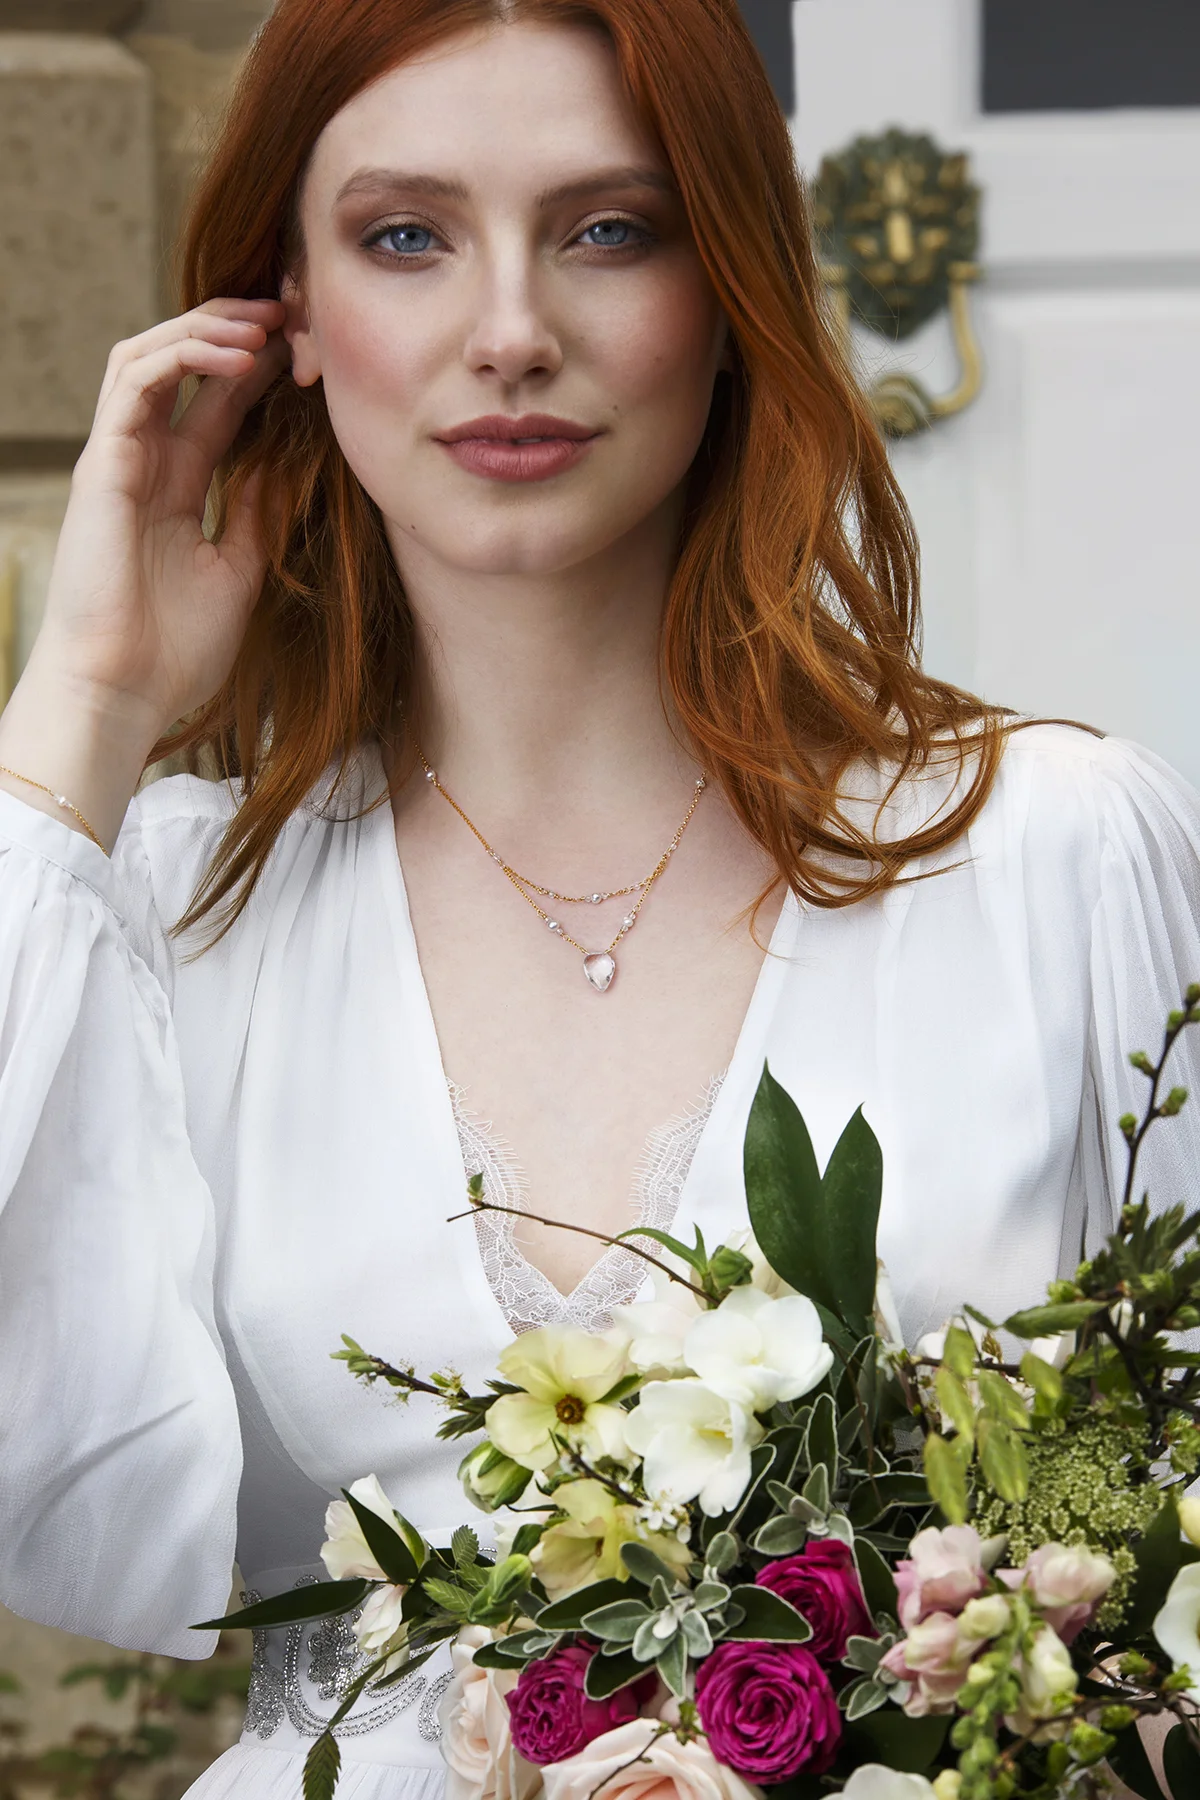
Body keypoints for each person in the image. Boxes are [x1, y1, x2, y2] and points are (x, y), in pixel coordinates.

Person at [0, 0, 1196, 1794]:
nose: (509, 333)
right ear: (292, 322)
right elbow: (63, 1509)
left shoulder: (1046, 855)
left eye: (607, 231)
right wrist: (82, 706)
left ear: (726, 289)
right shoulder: (172, 906)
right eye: (405, 238)